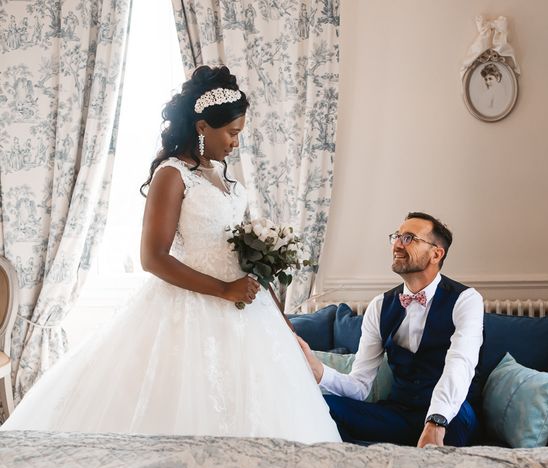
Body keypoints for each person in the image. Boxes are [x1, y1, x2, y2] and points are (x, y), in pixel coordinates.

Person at [1, 65, 341, 444]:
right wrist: (223, 289)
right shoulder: (172, 175)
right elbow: (153, 258)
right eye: (231, 133)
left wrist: (280, 316)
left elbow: (241, 255)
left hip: (247, 308)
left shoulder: (222, 176)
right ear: (201, 128)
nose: (235, 143)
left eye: (239, 133)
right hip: (192, 303)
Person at [297, 212, 483, 447]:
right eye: (396, 237)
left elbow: (461, 364)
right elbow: (360, 385)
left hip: (451, 416)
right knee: (324, 407)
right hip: (398, 416)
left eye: (408, 238)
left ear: (437, 253)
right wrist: (320, 372)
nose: (397, 244)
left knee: (456, 417)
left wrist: (436, 420)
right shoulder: (379, 306)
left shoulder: (466, 300)